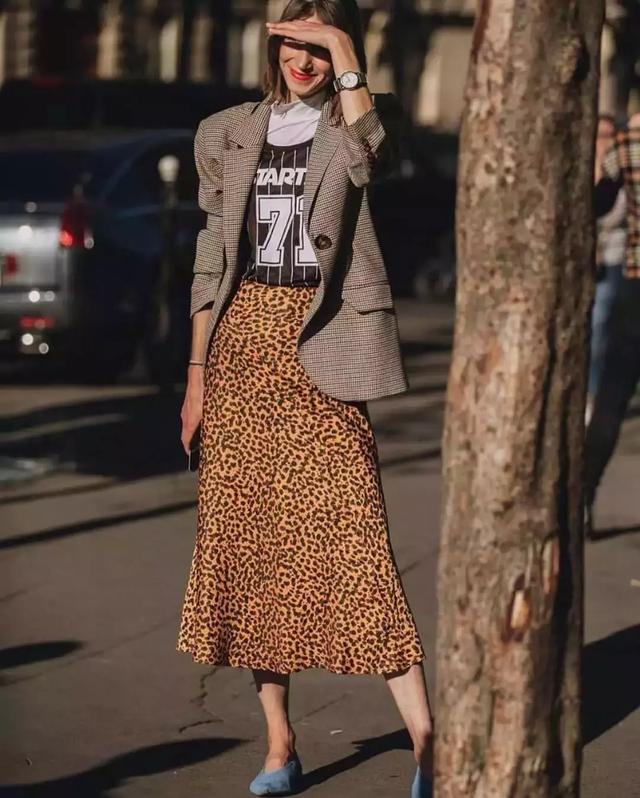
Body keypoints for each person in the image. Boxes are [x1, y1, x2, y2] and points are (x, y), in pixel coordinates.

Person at [177, 2, 434, 796]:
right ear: (273, 41)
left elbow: (369, 158)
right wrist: (196, 375)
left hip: (323, 342)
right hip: (242, 345)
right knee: (252, 548)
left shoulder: (357, 118)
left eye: (320, 44)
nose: (305, 59)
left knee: (358, 539)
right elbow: (212, 257)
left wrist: (346, 49)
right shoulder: (224, 131)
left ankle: (429, 741)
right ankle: (281, 746)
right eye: (295, 40)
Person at [585, 112, 640, 536]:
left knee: (611, 400)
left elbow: (599, 202)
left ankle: (582, 492)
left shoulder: (628, 143)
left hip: (636, 285)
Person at [586, 115, 626, 424]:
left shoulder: (618, 170)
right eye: (599, 134)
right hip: (582, 259)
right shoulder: (580, 166)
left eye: (609, 135)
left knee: (600, 327)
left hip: (611, 257)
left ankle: (592, 395)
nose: (603, 141)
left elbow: (615, 214)